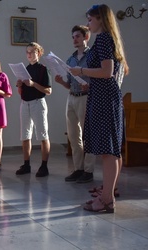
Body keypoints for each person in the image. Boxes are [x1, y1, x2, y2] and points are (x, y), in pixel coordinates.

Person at [69, 4, 129, 213]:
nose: (88, 24)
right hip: (106, 96)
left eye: (90, 20)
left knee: (108, 152)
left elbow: (107, 71)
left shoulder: (103, 39)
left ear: (101, 19)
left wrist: (82, 70)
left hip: (105, 100)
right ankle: (107, 195)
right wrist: (90, 81)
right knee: (110, 151)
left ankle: (107, 199)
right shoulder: (108, 39)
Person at [54, 25, 96, 183]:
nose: (74, 39)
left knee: (88, 135)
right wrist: (61, 82)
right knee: (73, 135)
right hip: (71, 97)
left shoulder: (93, 56)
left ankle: (89, 170)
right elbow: (70, 84)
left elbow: (100, 77)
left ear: (86, 37)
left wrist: (90, 86)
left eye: (77, 36)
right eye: (73, 37)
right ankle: (78, 168)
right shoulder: (70, 59)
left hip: (86, 97)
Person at [15, 42, 51, 177]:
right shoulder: (25, 69)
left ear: (39, 53)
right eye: (27, 52)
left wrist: (33, 84)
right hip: (25, 103)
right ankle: (26, 164)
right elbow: (21, 92)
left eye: (32, 51)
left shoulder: (43, 69)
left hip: (38, 103)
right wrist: (19, 85)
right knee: (25, 135)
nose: (29, 54)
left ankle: (44, 166)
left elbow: (48, 90)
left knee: (42, 134)